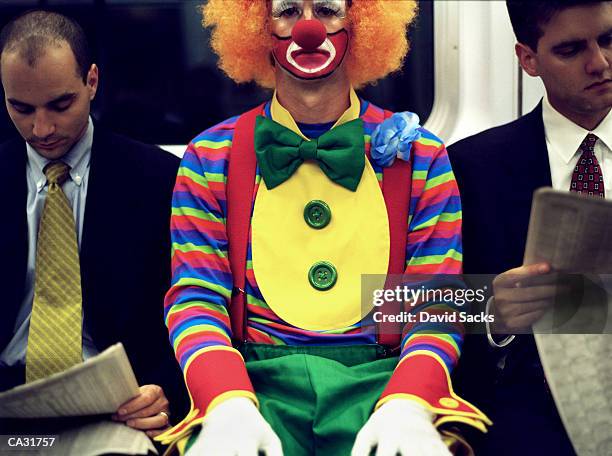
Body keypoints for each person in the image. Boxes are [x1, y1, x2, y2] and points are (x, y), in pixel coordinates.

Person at [158, 1, 490, 455]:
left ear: (360, 24)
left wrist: (409, 402)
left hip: (383, 383)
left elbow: (437, 304)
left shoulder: (421, 157)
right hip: (254, 385)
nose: (309, 29)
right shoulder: (210, 156)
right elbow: (197, 297)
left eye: (329, 10)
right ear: (258, 26)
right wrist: (226, 402)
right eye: (288, 10)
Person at [0, 10, 188, 437]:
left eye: (60, 104)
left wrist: (166, 390)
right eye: (20, 107)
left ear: (93, 81)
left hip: (121, 401)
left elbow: (192, 306)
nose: (41, 127)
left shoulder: (159, 179)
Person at [448, 1, 612, 454]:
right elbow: (411, 306)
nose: (598, 63)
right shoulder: (472, 167)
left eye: (609, 40)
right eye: (571, 49)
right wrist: (489, 311)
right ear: (528, 60)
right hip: (529, 407)